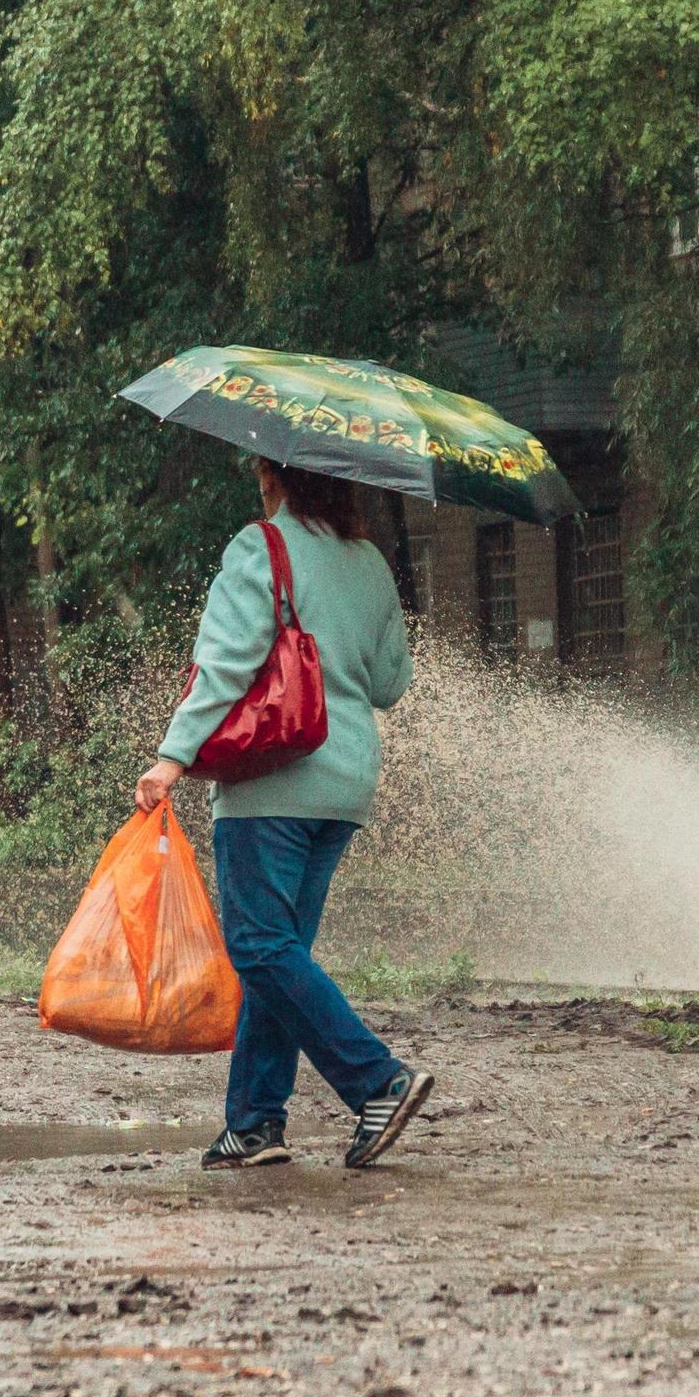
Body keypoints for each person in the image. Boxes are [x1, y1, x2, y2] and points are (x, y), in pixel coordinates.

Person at [140, 459, 430, 1170]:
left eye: (259, 465)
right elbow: (390, 683)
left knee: (259, 946)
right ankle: (253, 1123)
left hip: (272, 780)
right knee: (278, 952)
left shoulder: (261, 546)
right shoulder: (369, 562)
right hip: (345, 783)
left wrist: (173, 757)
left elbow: (225, 665)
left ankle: (377, 1080)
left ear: (275, 474)